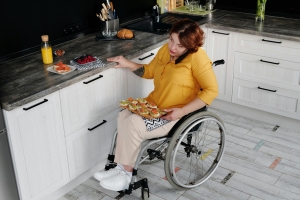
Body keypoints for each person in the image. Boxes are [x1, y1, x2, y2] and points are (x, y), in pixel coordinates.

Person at [94, 18, 218, 191]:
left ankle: (126, 175)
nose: (173, 47)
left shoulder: (197, 58)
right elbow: (150, 71)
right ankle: (119, 167)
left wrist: (181, 111)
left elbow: (211, 90)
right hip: (155, 107)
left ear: (190, 46)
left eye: (180, 46)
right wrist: (127, 63)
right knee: (123, 115)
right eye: (171, 40)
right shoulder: (165, 51)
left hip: (177, 114)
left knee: (133, 124)